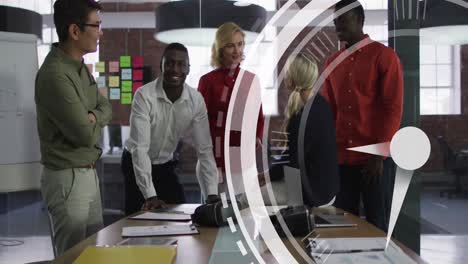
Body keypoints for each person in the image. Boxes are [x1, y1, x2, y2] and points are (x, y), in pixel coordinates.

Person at [35, 0, 111, 255]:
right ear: (75, 31)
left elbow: (106, 107)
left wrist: (92, 116)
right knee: (71, 257)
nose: (101, 32)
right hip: (67, 178)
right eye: (96, 25)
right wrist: (93, 118)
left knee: (92, 254)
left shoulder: (79, 66)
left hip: (87, 173)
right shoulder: (56, 74)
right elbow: (82, 134)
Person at [321, 0, 403, 231]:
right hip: (342, 160)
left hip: (375, 161)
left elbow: (393, 108)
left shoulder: (385, 57)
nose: (337, 26)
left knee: (377, 226)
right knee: (344, 225)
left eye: (342, 20)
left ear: (359, 20)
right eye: (335, 22)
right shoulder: (330, 62)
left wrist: (379, 155)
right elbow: (329, 112)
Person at [122, 43, 219, 215]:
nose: (175, 69)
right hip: (135, 161)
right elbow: (140, 149)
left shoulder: (195, 100)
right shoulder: (144, 96)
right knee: (137, 217)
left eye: (181, 64)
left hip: (164, 165)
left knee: (179, 212)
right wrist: (150, 196)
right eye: (170, 63)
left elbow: (204, 149)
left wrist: (212, 193)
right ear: (161, 65)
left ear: (188, 69)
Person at [198, 22, 264, 193]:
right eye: (230, 46)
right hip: (214, 162)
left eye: (240, 44)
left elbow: (259, 116)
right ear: (220, 48)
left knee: (245, 214)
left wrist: (257, 136)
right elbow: (200, 123)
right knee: (214, 215)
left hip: (243, 161)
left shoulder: (251, 80)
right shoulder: (207, 81)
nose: (237, 51)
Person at [266, 53, 339, 207]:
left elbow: (292, 162)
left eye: (286, 73)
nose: (284, 76)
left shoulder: (302, 117)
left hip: (313, 192)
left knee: (248, 197)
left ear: (292, 80)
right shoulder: (321, 104)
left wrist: (267, 176)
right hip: (327, 189)